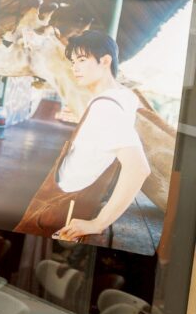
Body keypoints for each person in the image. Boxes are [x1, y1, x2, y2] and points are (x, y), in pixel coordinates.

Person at [16, 30, 150, 243]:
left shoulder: (106, 107)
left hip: (63, 203)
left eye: (82, 59)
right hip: (72, 198)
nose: (74, 68)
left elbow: (138, 168)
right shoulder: (122, 98)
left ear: (105, 61)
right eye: (72, 62)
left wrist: (98, 223)